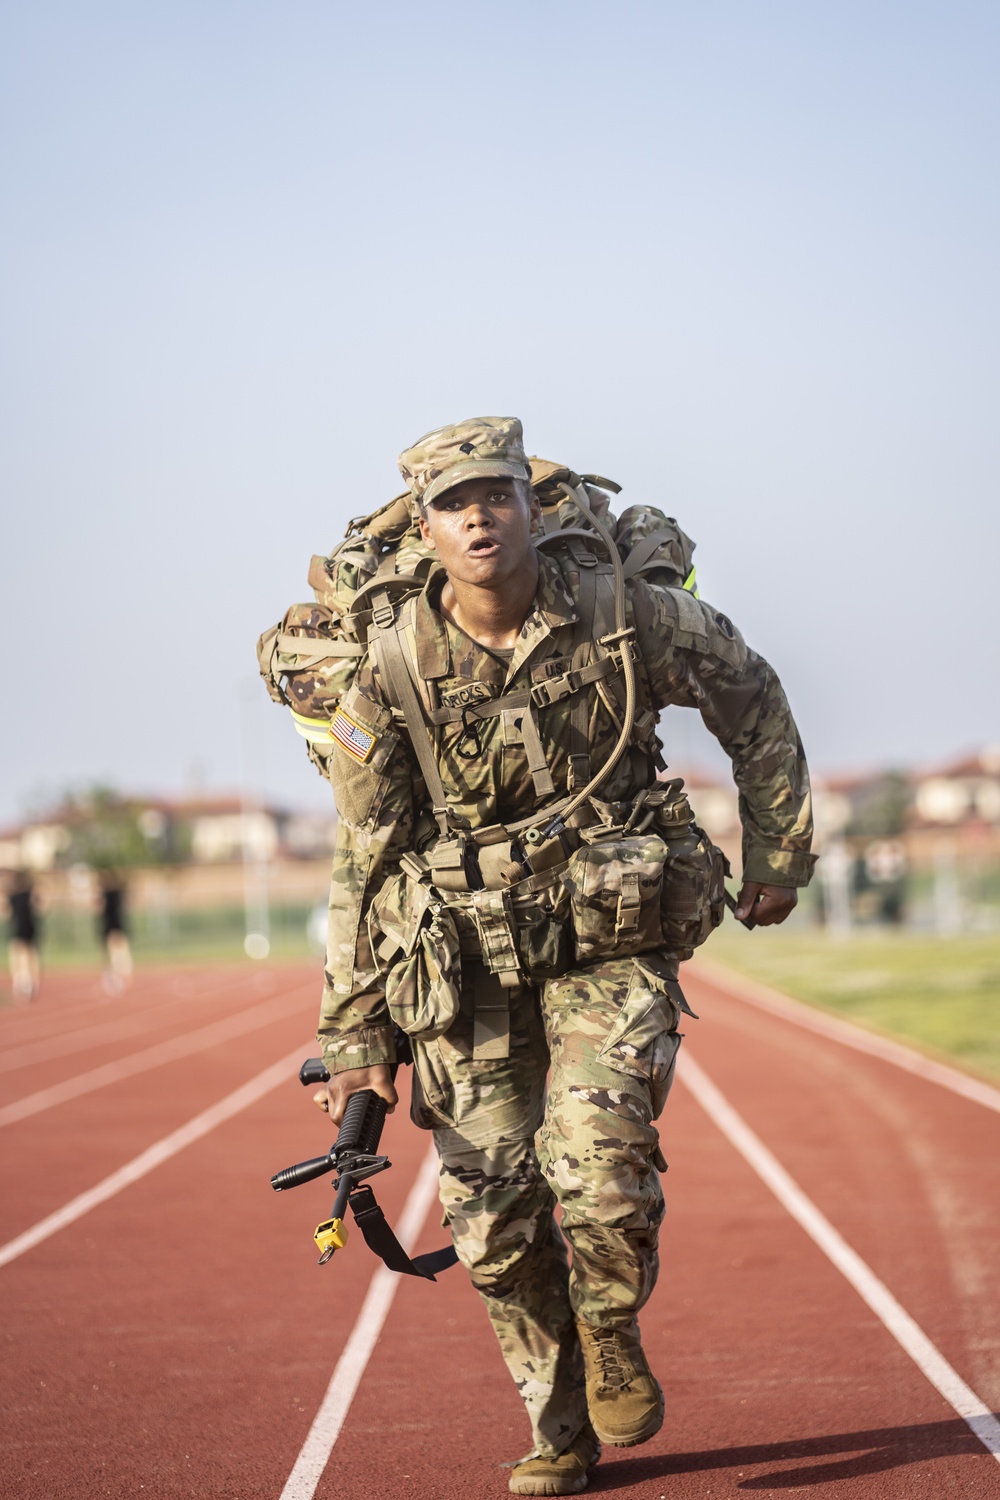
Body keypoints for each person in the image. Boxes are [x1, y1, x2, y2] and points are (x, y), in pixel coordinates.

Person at [308, 417, 814, 1496]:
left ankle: (610, 1322)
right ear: (427, 530)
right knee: (491, 1220)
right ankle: (558, 1425)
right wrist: (352, 1034)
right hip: (465, 961)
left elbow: (752, 697)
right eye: (452, 504)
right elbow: (365, 857)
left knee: (596, 1169)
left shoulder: (625, 616)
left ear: (533, 507)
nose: (478, 515)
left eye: (495, 493)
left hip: (610, 941)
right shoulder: (393, 668)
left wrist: (776, 846)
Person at [6, 868, 42, 1002]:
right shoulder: (30, 895)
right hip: (30, 928)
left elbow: (7, 913)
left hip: (18, 929)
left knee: (18, 956)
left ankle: (22, 983)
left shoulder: (13, 896)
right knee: (31, 955)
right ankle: (32, 982)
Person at [96, 868, 132, 994]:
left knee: (113, 950)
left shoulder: (106, 894)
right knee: (120, 948)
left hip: (111, 924)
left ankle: (117, 973)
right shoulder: (117, 893)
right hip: (117, 923)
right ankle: (122, 970)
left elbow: (99, 906)